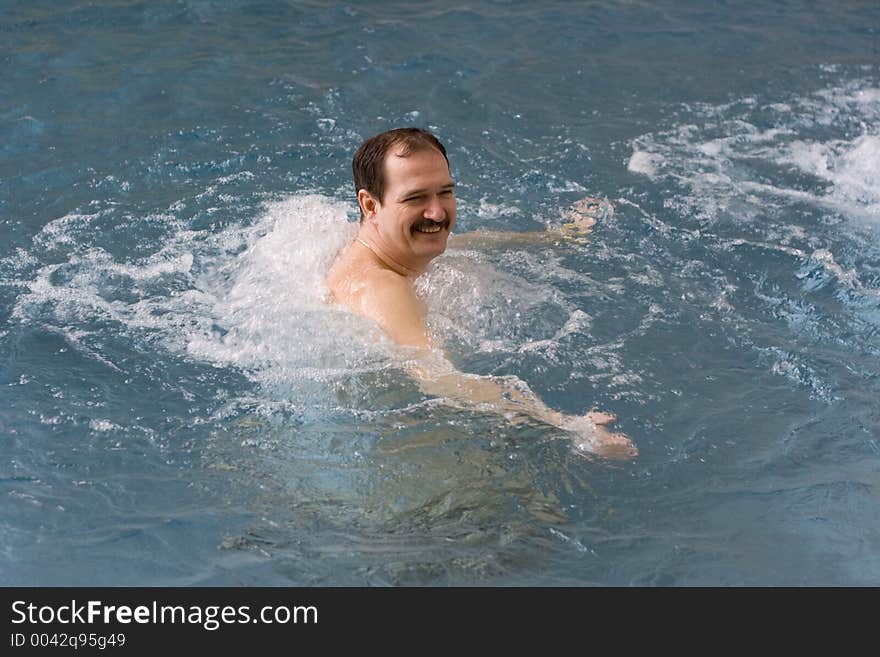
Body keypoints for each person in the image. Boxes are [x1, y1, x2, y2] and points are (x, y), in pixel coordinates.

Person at [326, 128, 637, 459]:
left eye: (444, 192)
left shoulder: (372, 246)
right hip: (402, 447)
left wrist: (558, 238)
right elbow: (437, 378)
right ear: (370, 205)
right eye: (415, 198)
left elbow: (467, 242)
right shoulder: (383, 287)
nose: (437, 213)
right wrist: (567, 424)